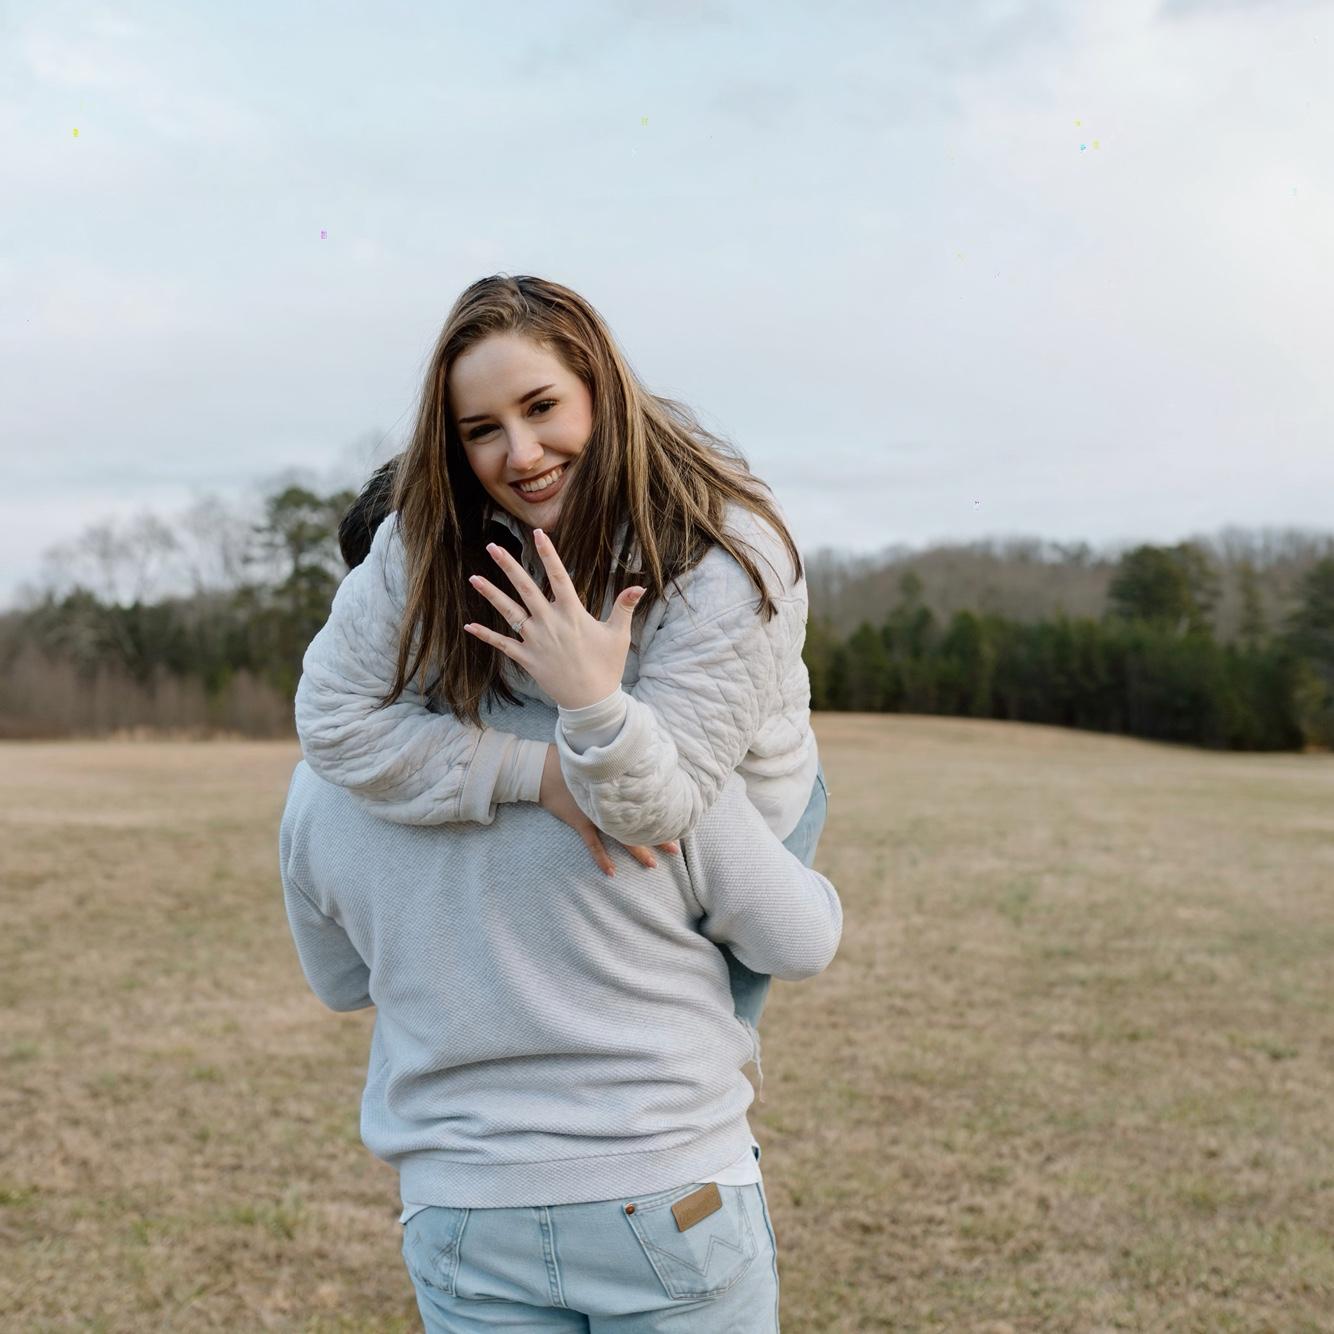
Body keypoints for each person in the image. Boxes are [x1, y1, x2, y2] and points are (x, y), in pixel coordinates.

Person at [294, 274, 829, 1053]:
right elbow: (333, 719)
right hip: (559, 754)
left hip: (732, 793)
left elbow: (664, 807)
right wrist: (536, 773)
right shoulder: (426, 531)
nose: (522, 454)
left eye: (542, 407)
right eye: (483, 429)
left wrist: (592, 704)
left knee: (690, 1045)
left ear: (599, 389)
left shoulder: (726, 552)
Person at [279, 684, 843, 1330]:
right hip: (667, 1177)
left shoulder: (329, 780)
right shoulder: (640, 754)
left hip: (463, 1201)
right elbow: (801, 943)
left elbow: (340, 984)